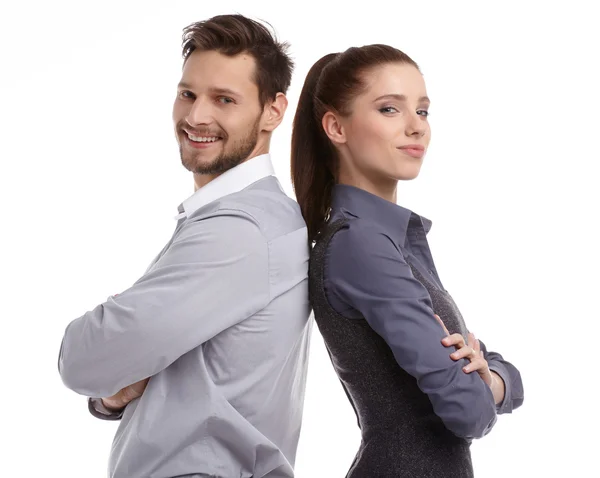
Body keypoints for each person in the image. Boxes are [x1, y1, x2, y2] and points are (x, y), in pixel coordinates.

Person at [58, 14, 312, 478]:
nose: (196, 116)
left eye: (224, 100)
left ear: (273, 111)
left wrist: (105, 359)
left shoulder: (242, 229)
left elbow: (82, 360)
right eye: (187, 94)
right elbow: (120, 367)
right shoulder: (246, 218)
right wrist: (113, 389)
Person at [291, 44, 524, 477]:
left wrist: (489, 376)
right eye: (389, 109)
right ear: (335, 127)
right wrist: (490, 380)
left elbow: (500, 374)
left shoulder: (387, 240)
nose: (416, 127)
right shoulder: (360, 245)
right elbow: (467, 411)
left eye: (423, 111)